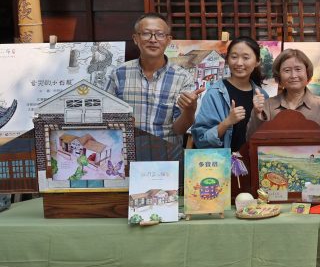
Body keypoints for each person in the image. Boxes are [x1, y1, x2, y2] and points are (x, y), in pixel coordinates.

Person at [107, 13, 196, 161]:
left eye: (160, 34)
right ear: (136, 38)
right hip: (127, 158)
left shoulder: (182, 77)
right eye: (146, 33)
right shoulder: (118, 74)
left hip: (166, 159)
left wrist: (190, 110)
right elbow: (106, 118)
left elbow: (179, 129)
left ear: (168, 40)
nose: (153, 40)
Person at [246, 49, 320, 149]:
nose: (293, 75)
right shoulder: (267, 106)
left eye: (298, 69)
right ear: (279, 76)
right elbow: (251, 143)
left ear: (307, 73)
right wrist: (257, 114)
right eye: (287, 70)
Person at [191, 36, 268, 151]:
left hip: (252, 160)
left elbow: (266, 138)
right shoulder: (215, 94)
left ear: (257, 61)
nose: (239, 63)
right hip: (223, 161)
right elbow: (200, 139)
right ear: (227, 59)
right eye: (234, 57)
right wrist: (227, 122)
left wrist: (258, 115)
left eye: (246, 58)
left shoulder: (262, 96)